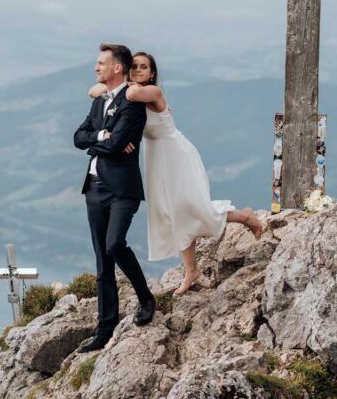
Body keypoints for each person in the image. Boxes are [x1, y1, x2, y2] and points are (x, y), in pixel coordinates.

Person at [89, 51, 263, 295]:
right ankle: (191, 270)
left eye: (143, 67)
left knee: (190, 206)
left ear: (152, 73)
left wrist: (119, 86)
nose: (138, 70)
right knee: (174, 213)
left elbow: (131, 93)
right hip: (156, 159)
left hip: (175, 155)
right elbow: (92, 91)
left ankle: (244, 217)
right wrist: (121, 136)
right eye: (135, 66)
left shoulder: (152, 92)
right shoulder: (127, 95)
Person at [73, 43, 155, 351]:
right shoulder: (98, 101)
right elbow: (78, 137)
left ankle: (145, 298)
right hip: (94, 188)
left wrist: (103, 140)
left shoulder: (133, 102)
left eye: (100, 63)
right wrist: (101, 139)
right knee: (102, 262)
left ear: (116, 68)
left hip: (122, 189)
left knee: (115, 244)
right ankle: (104, 331)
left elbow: (120, 140)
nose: (96, 68)